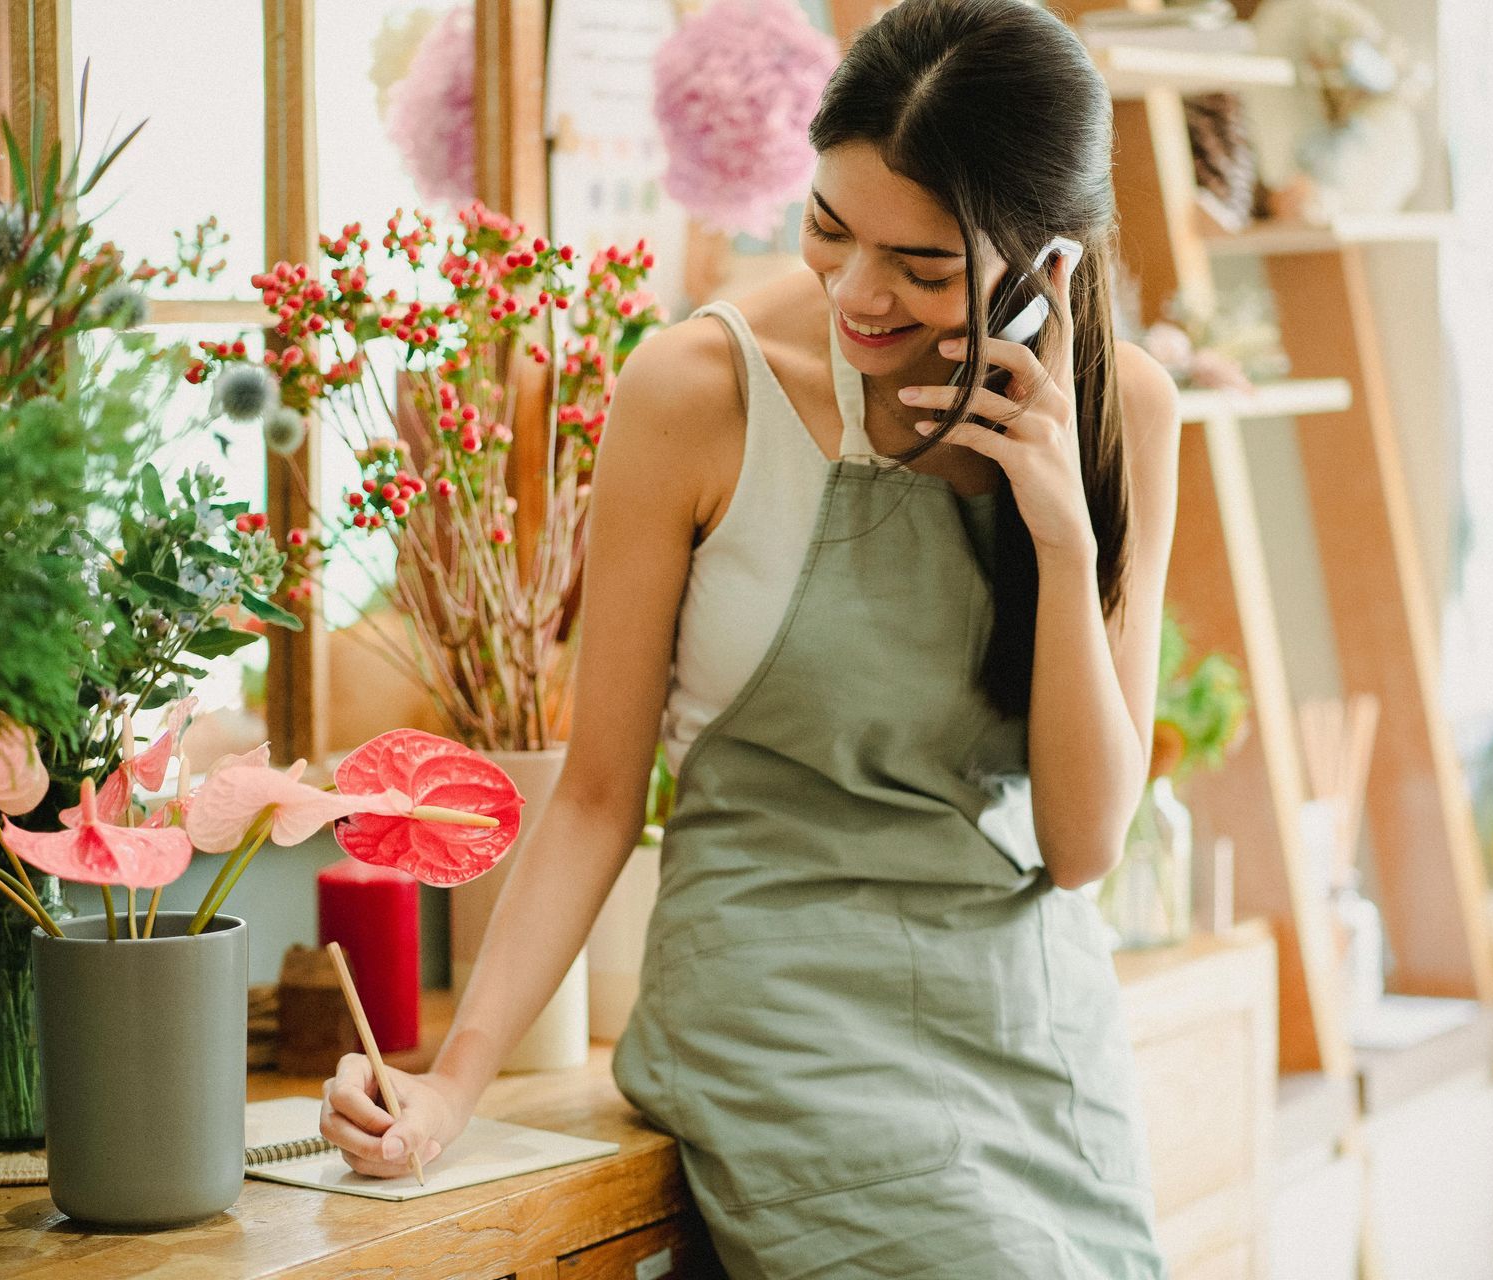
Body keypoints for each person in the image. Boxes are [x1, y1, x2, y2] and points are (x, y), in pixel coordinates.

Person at [320, 0, 1181, 1272]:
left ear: (1045, 269)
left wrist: (1065, 539)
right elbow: (599, 794)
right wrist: (453, 1083)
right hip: (776, 1019)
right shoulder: (694, 393)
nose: (859, 290)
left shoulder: (1126, 413)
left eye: (926, 267)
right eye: (830, 227)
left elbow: (1082, 841)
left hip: (1031, 1039)